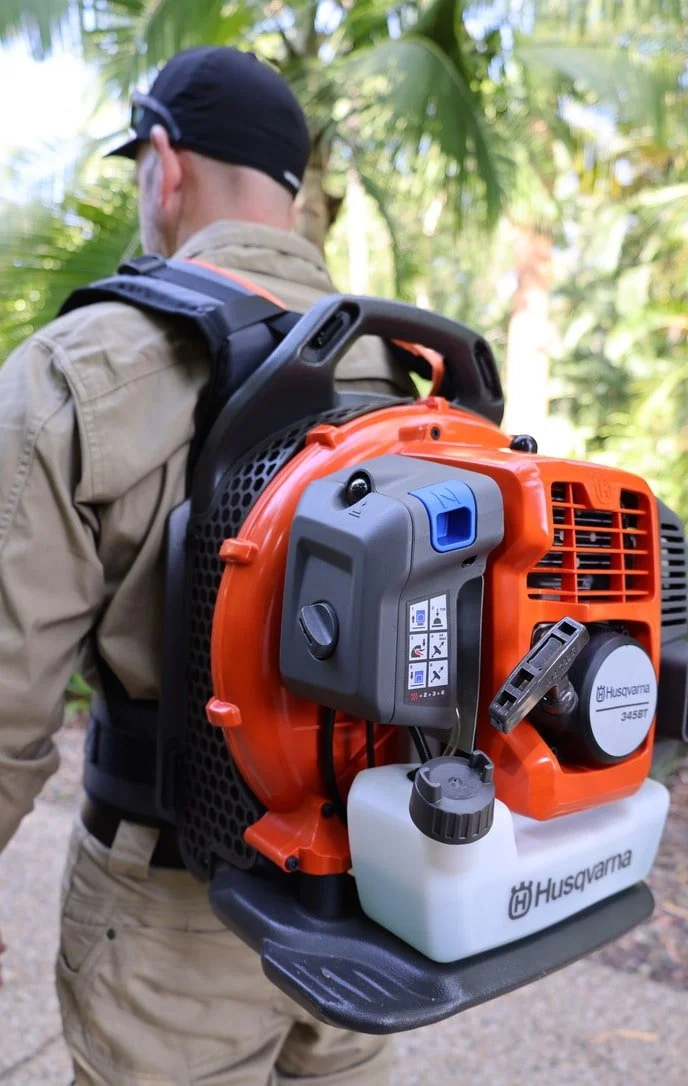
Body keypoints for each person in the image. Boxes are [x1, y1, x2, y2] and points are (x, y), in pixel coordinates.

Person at [0, 45, 414, 1085]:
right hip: (373, 896)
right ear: (291, 188)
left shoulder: (77, 370)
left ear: (165, 164)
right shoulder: (401, 372)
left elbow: (4, 711)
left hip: (171, 916)